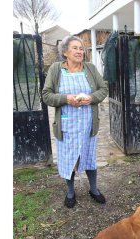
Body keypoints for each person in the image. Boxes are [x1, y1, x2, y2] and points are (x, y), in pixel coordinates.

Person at [42, 35, 109, 208]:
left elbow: (103, 89)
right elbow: (46, 95)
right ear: (65, 52)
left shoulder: (90, 68)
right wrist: (66, 99)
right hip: (67, 125)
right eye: (75, 48)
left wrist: (91, 98)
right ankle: (70, 192)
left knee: (89, 157)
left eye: (82, 48)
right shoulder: (56, 70)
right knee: (69, 158)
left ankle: (93, 189)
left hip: (87, 123)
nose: (80, 51)